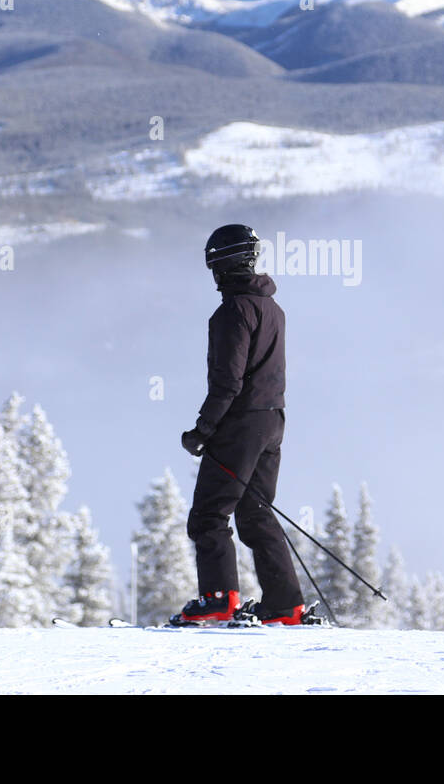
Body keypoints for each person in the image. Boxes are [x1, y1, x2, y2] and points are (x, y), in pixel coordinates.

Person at [173, 224, 310, 626]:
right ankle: (285, 607)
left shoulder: (231, 312)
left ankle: (218, 600)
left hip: (240, 424)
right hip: (273, 420)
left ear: (221, 265)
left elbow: (227, 381)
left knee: (209, 515)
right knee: (256, 513)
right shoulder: (273, 308)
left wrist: (203, 430)